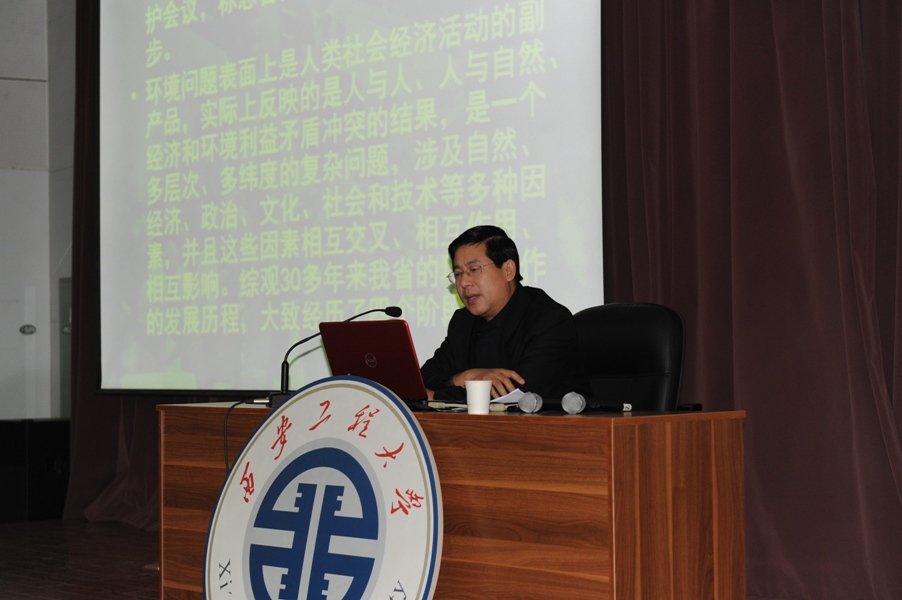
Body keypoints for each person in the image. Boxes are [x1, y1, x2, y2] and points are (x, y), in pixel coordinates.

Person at [420, 225, 589, 402]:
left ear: (508, 270)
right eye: (458, 274)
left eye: (474, 270)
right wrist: (466, 377)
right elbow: (422, 379)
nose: (463, 283)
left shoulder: (551, 321)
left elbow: (517, 394)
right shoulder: (463, 322)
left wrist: (435, 396)